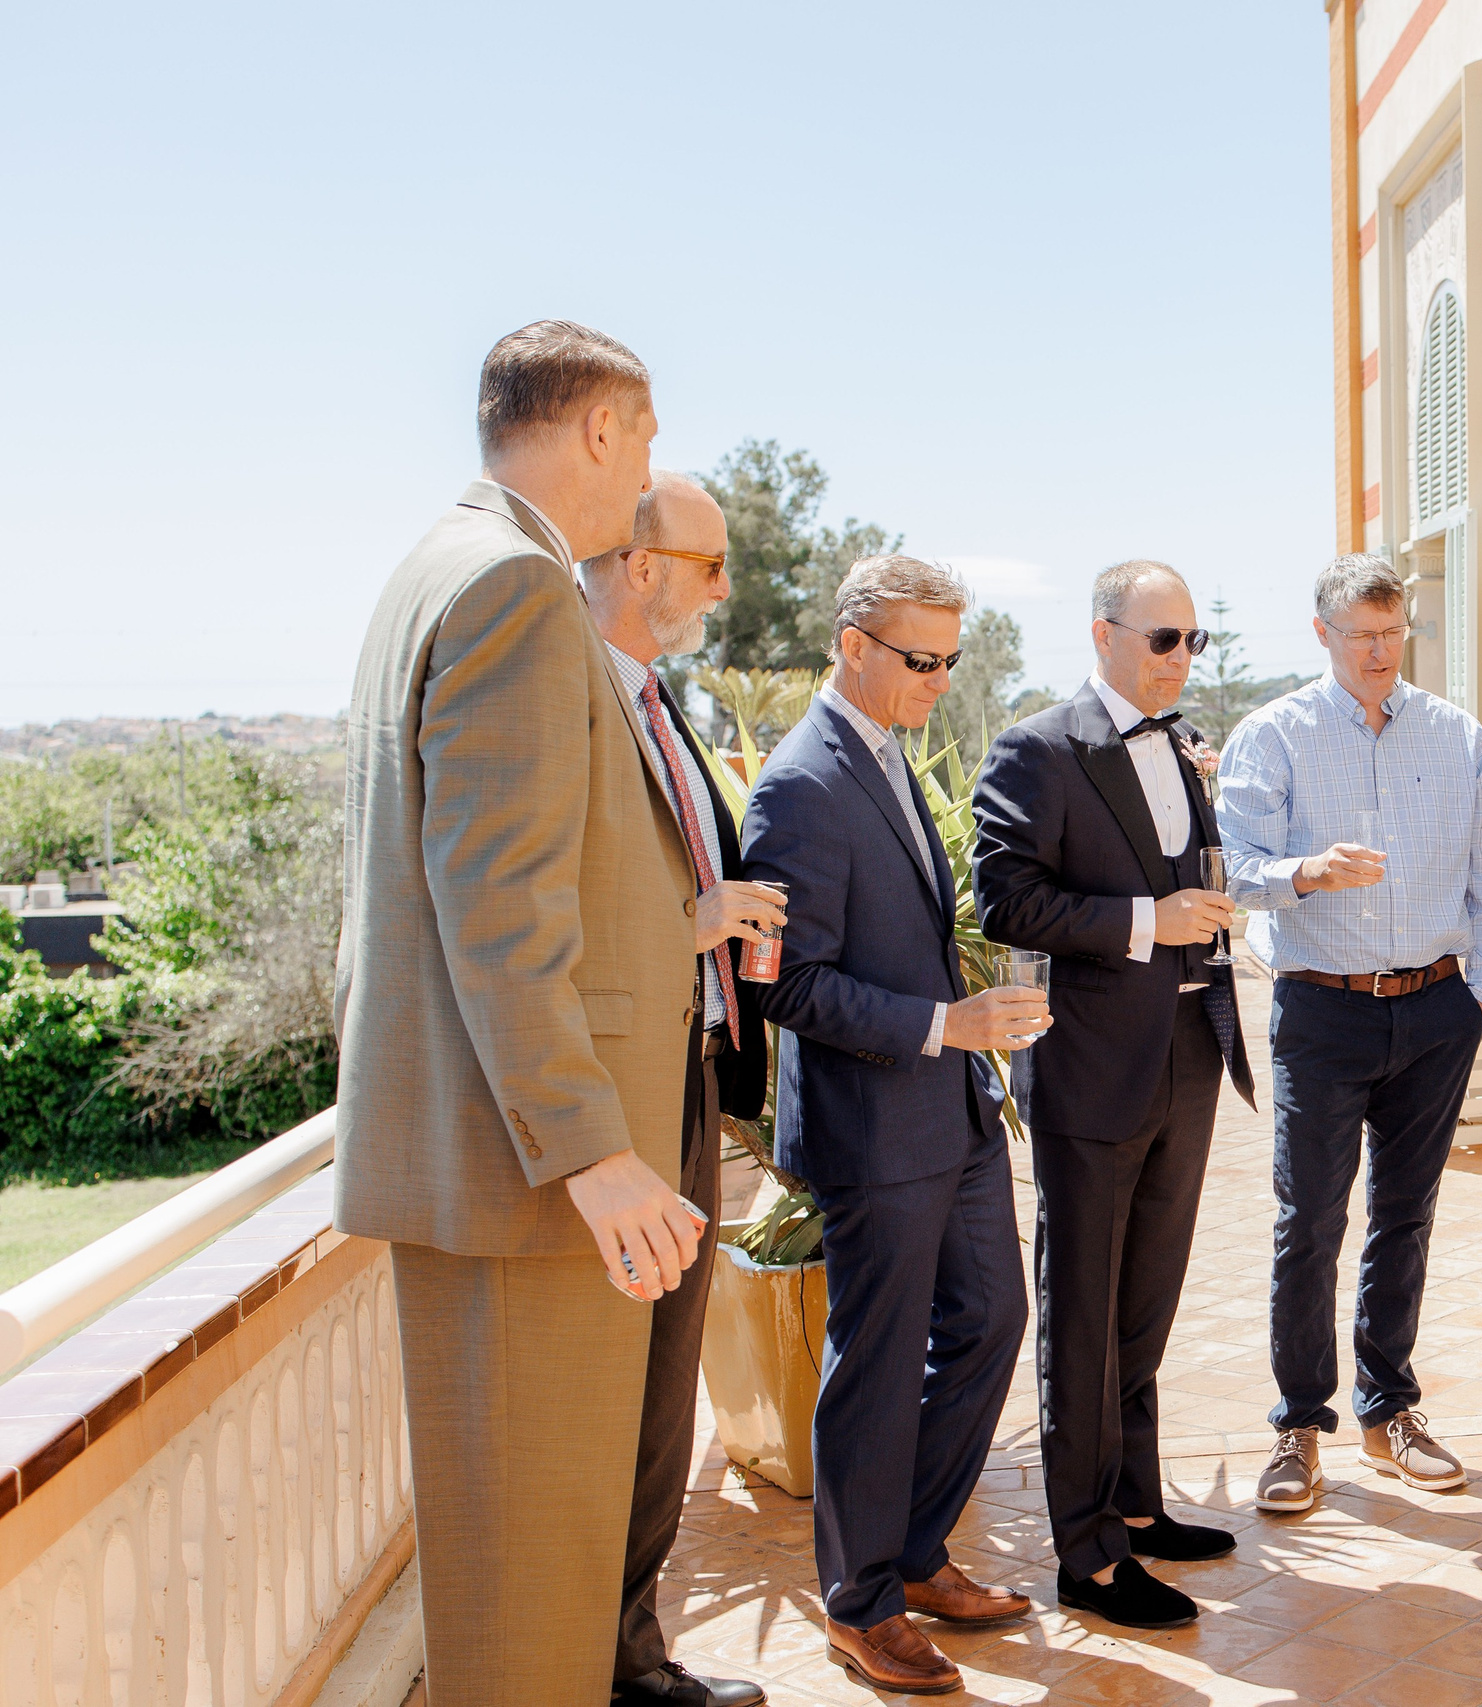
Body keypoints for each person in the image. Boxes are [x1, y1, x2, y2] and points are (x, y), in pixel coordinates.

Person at [334, 320, 703, 1706]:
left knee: (518, 1594)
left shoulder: (442, 565)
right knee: (529, 1611)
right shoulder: (513, 584)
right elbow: (499, 904)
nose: (651, 470)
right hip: (525, 1177)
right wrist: (597, 1156)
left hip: (491, 1158)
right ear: (599, 428)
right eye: (649, 436)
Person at [741, 557, 1051, 1696]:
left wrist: (964, 1038)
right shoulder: (799, 786)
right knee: (874, 1368)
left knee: (990, 1321)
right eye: (920, 660)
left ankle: (915, 1551)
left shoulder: (884, 755)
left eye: (950, 660)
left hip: (953, 1111)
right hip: (875, 1128)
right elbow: (784, 984)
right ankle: (859, 1603)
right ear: (853, 647)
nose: (938, 680)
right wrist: (943, 1023)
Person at [973, 560, 1258, 1630]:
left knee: (1145, 1301)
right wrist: (1147, 920)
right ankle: (1086, 1557)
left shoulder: (1182, 747)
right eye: (1163, 639)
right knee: (1084, 1316)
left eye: (1192, 640)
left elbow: (1196, 877)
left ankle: (1134, 1509)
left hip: (1188, 1053)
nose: (1182, 657)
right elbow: (1005, 899)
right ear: (1102, 637)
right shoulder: (1037, 750)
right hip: (1093, 1071)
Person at [1217, 553, 1482, 1514]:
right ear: (1324, 635)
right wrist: (1308, 872)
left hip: (1435, 1010)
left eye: (1394, 633)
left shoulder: (1456, 734)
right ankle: (1300, 1424)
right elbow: (1239, 869)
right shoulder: (1274, 735)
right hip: (1322, 1009)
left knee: (1407, 1215)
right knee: (1309, 1220)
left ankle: (1390, 1411)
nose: (1381, 650)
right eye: (1362, 635)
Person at [578, 470, 785, 1707]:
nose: (724, 587)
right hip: (617, 1105)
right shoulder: (584, 708)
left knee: (661, 1405)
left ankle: (632, 1659)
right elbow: (537, 920)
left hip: (689, 1080)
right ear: (640, 566)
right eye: (709, 565)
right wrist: (694, 917)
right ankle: (603, 1664)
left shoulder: (662, 707)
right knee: (618, 1402)